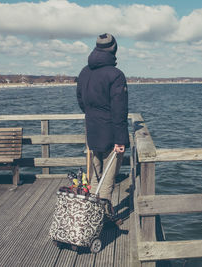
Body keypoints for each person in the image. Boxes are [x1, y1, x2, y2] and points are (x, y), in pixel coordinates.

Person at [76, 33, 129, 214]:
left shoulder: (84, 71)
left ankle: (91, 213)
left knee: (95, 174)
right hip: (111, 132)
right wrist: (121, 140)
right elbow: (119, 110)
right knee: (108, 177)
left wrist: (93, 116)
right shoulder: (116, 75)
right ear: (114, 49)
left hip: (91, 129)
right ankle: (103, 216)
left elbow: (81, 101)